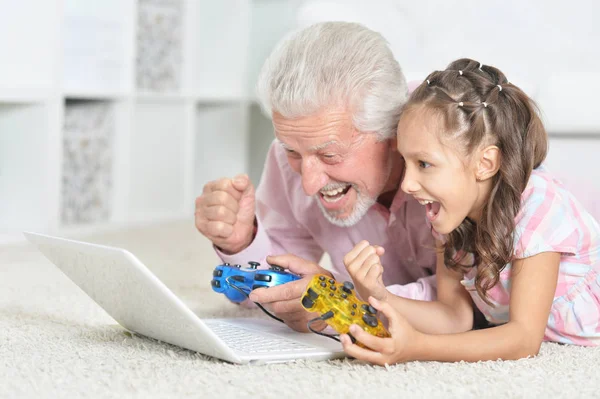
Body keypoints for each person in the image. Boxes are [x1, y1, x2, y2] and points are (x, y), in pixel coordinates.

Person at [340, 58, 600, 364]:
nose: (407, 184)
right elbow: (455, 318)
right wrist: (377, 295)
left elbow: (523, 338)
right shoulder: (448, 215)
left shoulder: (538, 211)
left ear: (485, 164)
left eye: (424, 164)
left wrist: (417, 347)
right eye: (406, 162)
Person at [194, 21, 438, 332]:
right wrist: (241, 242)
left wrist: (340, 299)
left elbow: (476, 302)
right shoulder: (293, 149)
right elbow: (273, 284)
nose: (309, 184)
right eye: (293, 152)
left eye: (330, 156)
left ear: (393, 134)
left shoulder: (451, 145)